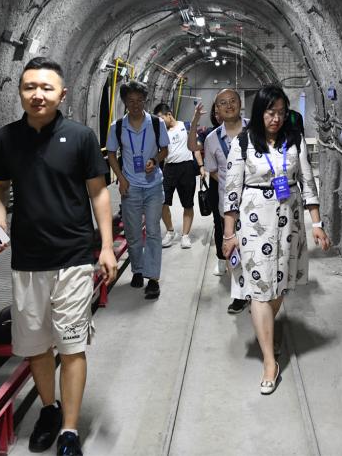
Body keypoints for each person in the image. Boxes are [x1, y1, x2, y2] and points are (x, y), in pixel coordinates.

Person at [0, 57, 117, 456]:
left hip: (73, 257)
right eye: (29, 87)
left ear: (62, 94)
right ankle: (48, 409)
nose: (37, 94)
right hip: (27, 260)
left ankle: (70, 431)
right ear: (20, 92)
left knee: (72, 347)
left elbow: (98, 192)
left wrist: (106, 246)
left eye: (46, 87)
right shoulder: (6, 138)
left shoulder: (80, 137)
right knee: (37, 347)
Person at [222, 85, 331, 394]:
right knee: (259, 291)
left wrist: (317, 224)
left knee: (280, 285)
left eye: (282, 113)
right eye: (271, 112)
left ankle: (266, 330)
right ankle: (270, 361)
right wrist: (229, 234)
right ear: (260, 112)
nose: (277, 119)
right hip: (255, 222)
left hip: (289, 222)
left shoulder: (294, 139)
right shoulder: (243, 142)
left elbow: (308, 182)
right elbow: (231, 191)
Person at [106, 81, 169, 300]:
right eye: (131, 101)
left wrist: (155, 160)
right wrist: (121, 178)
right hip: (130, 187)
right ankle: (138, 270)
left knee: (152, 231)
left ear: (145, 101)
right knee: (133, 234)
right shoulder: (117, 126)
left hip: (153, 185)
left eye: (139, 101)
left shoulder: (156, 123)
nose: (135, 105)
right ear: (124, 102)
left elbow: (164, 149)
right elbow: (111, 153)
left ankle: (153, 279)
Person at [188, 89, 249, 314]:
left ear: (240, 104)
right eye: (223, 103)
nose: (228, 105)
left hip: (259, 202)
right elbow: (212, 170)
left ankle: (260, 291)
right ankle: (239, 294)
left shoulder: (255, 130)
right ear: (217, 109)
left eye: (232, 101)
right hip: (229, 204)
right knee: (232, 247)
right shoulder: (212, 139)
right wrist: (229, 183)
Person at [154, 103, 205, 249]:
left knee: (188, 204)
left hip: (187, 168)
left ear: (169, 114)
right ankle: (170, 232)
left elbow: (195, 148)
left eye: (161, 118)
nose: (160, 122)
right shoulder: (161, 133)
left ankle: (185, 235)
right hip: (169, 169)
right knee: (162, 202)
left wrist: (201, 166)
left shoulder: (186, 126)